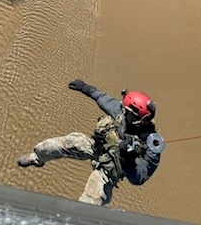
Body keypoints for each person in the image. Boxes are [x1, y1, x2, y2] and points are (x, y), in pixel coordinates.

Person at [17, 79, 161, 206]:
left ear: (136, 118)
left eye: (126, 111)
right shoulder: (124, 114)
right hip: (98, 147)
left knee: (91, 201)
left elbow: (140, 177)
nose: (121, 111)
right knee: (64, 143)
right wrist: (87, 88)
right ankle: (37, 158)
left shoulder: (152, 144)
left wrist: (128, 161)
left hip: (111, 168)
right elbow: (104, 99)